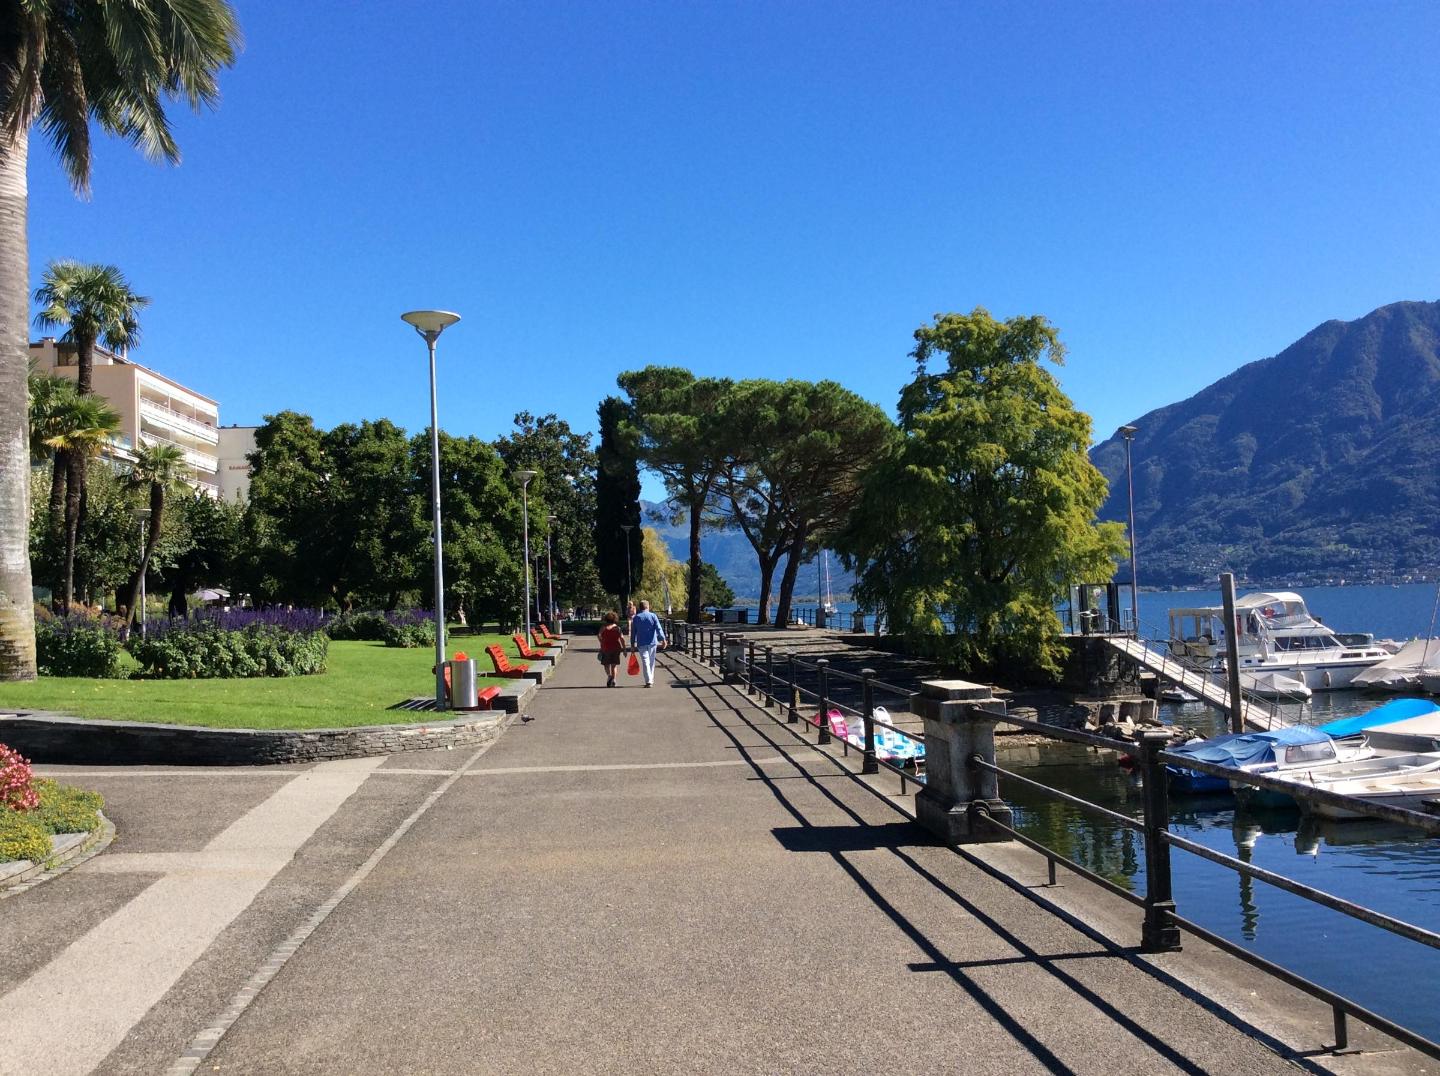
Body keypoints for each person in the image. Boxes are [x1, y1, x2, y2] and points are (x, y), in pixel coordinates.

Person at [629, 599, 667, 688]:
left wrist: (632, 644)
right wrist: (663, 639)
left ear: (640, 607)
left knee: (645, 661)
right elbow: (658, 628)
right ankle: (651, 679)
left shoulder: (636, 618)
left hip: (641, 642)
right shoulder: (653, 616)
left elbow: (633, 632)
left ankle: (648, 680)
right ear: (647, 606)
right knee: (651, 662)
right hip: (652, 642)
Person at [597, 611, 624, 687]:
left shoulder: (603, 628)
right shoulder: (617, 628)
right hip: (616, 648)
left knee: (606, 664)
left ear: (606, 619)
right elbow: (622, 638)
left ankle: (609, 676)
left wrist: (601, 642)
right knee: (614, 665)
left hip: (606, 648)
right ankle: (614, 679)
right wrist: (624, 649)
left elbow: (599, 635)